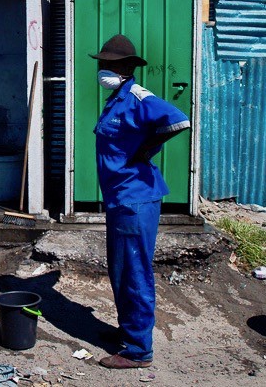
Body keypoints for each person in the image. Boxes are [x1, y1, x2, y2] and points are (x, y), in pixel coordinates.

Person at [90, 34, 190, 369]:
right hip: (121, 198)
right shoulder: (116, 98)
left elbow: (177, 118)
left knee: (134, 273)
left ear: (128, 67)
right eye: (102, 62)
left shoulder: (136, 96)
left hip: (135, 199)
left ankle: (137, 350)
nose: (103, 68)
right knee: (122, 271)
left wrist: (147, 149)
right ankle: (128, 332)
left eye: (111, 63)